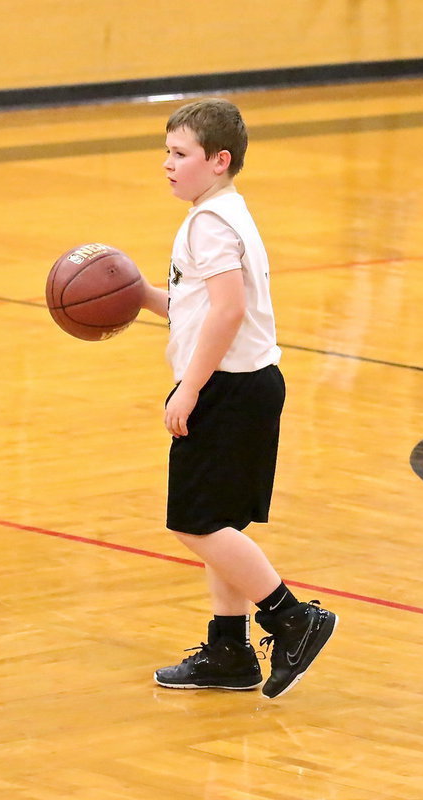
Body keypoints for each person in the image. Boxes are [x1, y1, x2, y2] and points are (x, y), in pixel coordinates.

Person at [140, 98, 337, 699]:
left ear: (219, 159)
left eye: (181, 154)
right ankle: (230, 650)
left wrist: (190, 388)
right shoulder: (227, 211)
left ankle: (290, 617)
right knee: (217, 520)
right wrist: (140, 297)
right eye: (167, 153)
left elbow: (229, 309)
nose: (168, 164)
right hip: (251, 384)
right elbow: (203, 307)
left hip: (226, 388)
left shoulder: (208, 223)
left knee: (195, 525)